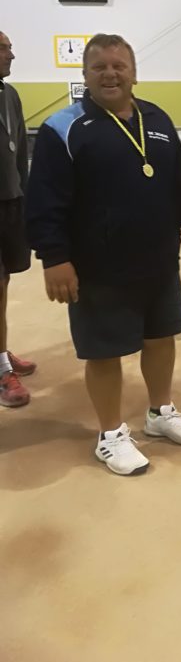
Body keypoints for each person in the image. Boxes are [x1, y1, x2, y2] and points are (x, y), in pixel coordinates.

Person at [25, 34, 181, 476]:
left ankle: (160, 412)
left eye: (119, 66)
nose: (110, 74)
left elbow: (179, 178)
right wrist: (54, 257)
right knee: (104, 352)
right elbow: (45, 200)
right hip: (97, 268)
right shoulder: (63, 129)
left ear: (134, 73)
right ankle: (110, 435)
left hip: (158, 259)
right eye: (99, 67)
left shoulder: (157, 118)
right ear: (85, 75)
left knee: (161, 338)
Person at [0, 31, 37, 408]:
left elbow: (20, 148)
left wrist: (26, 197)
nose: (11, 54)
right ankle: (0, 372)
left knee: (5, 281)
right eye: (3, 48)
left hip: (10, 202)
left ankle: (1, 351)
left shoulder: (9, 94)